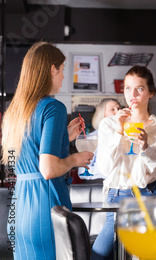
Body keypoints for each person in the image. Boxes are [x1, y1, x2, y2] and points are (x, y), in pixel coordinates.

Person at [1, 41, 93, 260]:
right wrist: (75, 159)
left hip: (20, 209)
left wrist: (64, 137)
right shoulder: (54, 107)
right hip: (45, 205)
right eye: (62, 70)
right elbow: (49, 169)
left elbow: (30, 152)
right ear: (52, 69)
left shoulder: (16, 110)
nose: (63, 77)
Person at [91, 66, 156, 260]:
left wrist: (146, 147)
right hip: (117, 197)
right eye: (127, 88)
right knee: (99, 255)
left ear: (151, 93)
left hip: (149, 195)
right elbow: (105, 168)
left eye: (139, 88)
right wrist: (118, 131)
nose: (132, 94)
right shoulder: (109, 124)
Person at [78, 98, 121, 180]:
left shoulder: (124, 135)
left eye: (119, 108)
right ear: (103, 114)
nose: (118, 112)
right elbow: (83, 172)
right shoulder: (92, 138)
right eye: (112, 109)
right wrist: (111, 173)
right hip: (101, 185)